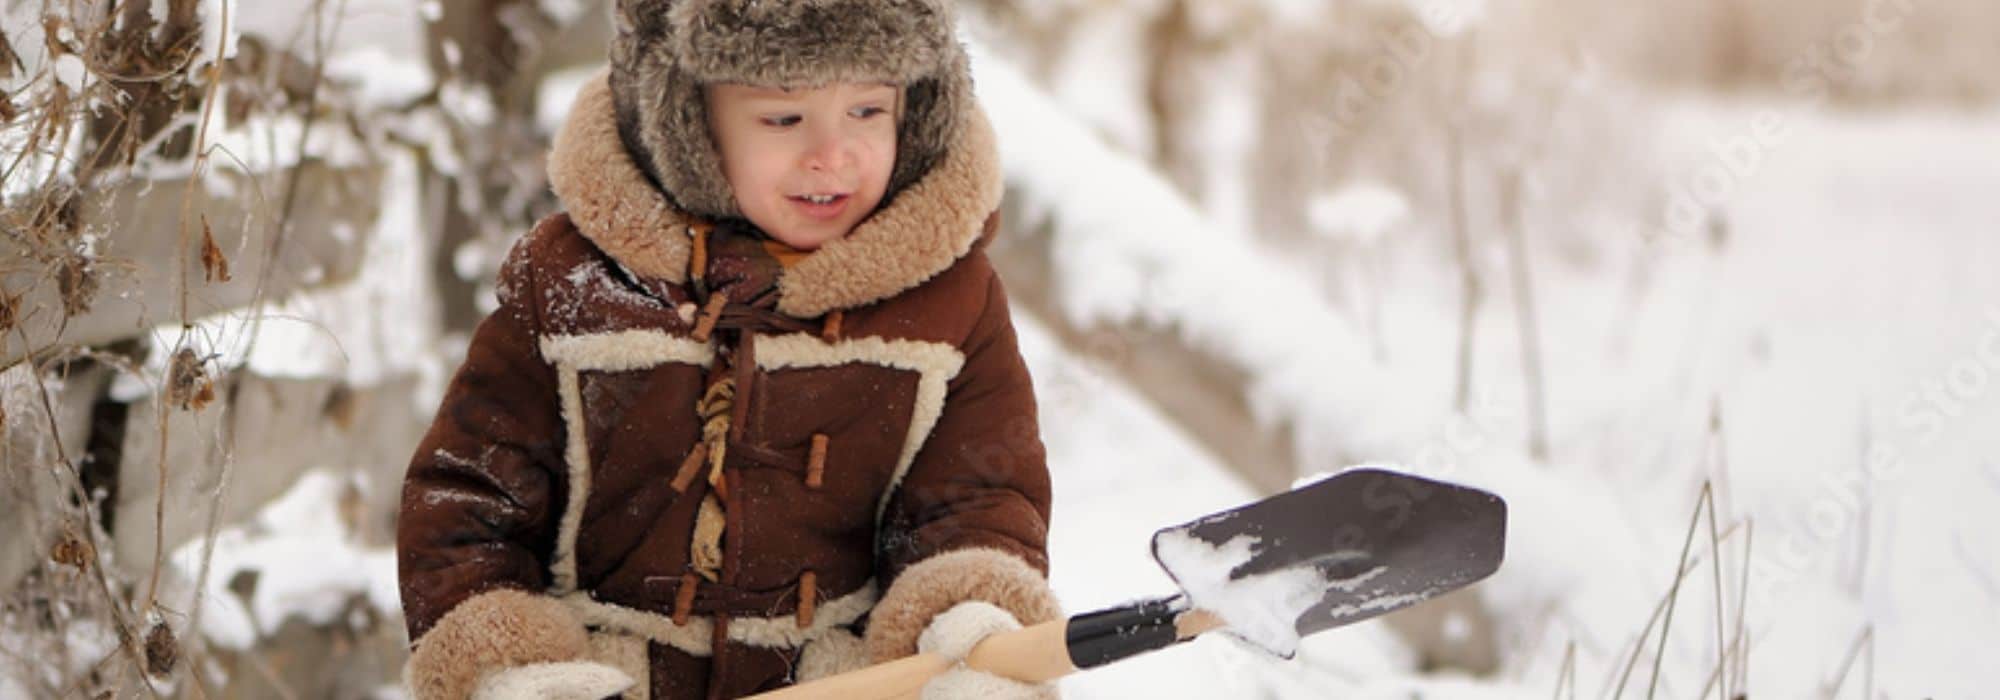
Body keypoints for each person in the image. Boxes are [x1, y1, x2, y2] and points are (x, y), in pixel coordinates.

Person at [394, 1, 1059, 698]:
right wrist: (510, 664)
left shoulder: (949, 304)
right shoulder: (572, 284)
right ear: (689, 122)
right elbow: (470, 500)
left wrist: (966, 628)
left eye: (867, 111)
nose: (831, 155)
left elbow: (974, 504)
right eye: (784, 118)